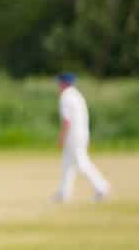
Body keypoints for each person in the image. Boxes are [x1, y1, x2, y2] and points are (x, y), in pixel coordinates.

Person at [55, 73, 110, 203]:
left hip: (73, 135)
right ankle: (64, 193)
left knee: (81, 163)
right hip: (82, 133)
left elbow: (67, 120)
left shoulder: (66, 96)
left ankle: (102, 187)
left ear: (63, 83)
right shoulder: (77, 95)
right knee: (67, 163)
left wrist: (61, 136)